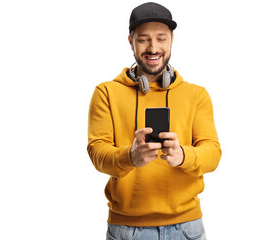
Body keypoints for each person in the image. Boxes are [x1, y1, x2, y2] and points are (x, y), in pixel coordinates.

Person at [87, 2, 221, 239]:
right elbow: (97, 153)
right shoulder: (106, 92)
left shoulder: (196, 94)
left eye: (161, 38)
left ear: (171, 40)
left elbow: (212, 153)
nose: (153, 47)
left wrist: (183, 156)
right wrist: (130, 156)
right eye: (143, 39)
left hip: (187, 228)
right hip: (127, 230)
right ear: (131, 41)